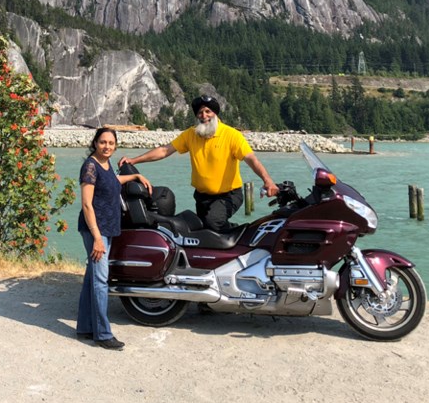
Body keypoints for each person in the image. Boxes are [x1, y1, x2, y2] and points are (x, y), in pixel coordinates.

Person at [119, 95, 279, 232]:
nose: (204, 115)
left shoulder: (231, 135)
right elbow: (164, 150)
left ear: (215, 113)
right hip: (202, 197)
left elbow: (251, 159)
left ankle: (240, 235)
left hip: (228, 195)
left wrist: (268, 180)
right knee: (204, 231)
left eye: (208, 111)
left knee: (213, 223)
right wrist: (134, 160)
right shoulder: (191, 135)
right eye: (200, 112)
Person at [76, 127, 151, 350]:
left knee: (92, 278)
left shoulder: (105, 164)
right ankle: (102, 334)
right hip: (95, 230)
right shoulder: (90, 166)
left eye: (110, 143)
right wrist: (97, 238)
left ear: (115, 145)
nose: (106, 146)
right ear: (95, 143)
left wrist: (136, 175)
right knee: (100, 281)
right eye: (102, 142)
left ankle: (85, 328)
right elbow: (87, 204)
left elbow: (113, 181)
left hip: (106, 229)